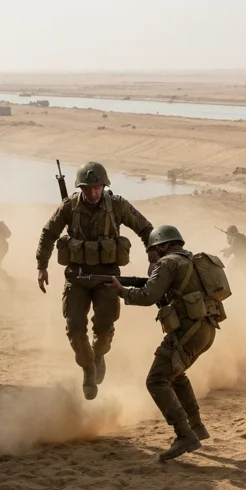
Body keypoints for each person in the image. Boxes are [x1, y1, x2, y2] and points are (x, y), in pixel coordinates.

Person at [103, 225, 228, 462]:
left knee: (157, 380)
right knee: (176, 376)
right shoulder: (190, 261)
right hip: (206, 329)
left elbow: (147, 297)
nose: (151, 255)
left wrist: (121, 291)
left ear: (161, 245)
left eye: (152, 250)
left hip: (188, 331)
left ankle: (185, 435)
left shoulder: (168, 263)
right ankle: (197, 426)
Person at [35, 161, 154, 400]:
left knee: (104, 329)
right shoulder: (69, 207)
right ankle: (88, 369)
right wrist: (42, 266)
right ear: (80, 188)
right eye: (87, 188)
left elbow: (146, 228)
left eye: (97, 187)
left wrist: (153, 258)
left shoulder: (118, 206)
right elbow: (49, 233)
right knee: (75, 328)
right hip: (77, 278)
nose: (92, 193)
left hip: (108, 279)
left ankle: (98, 356)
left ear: (104, 185)